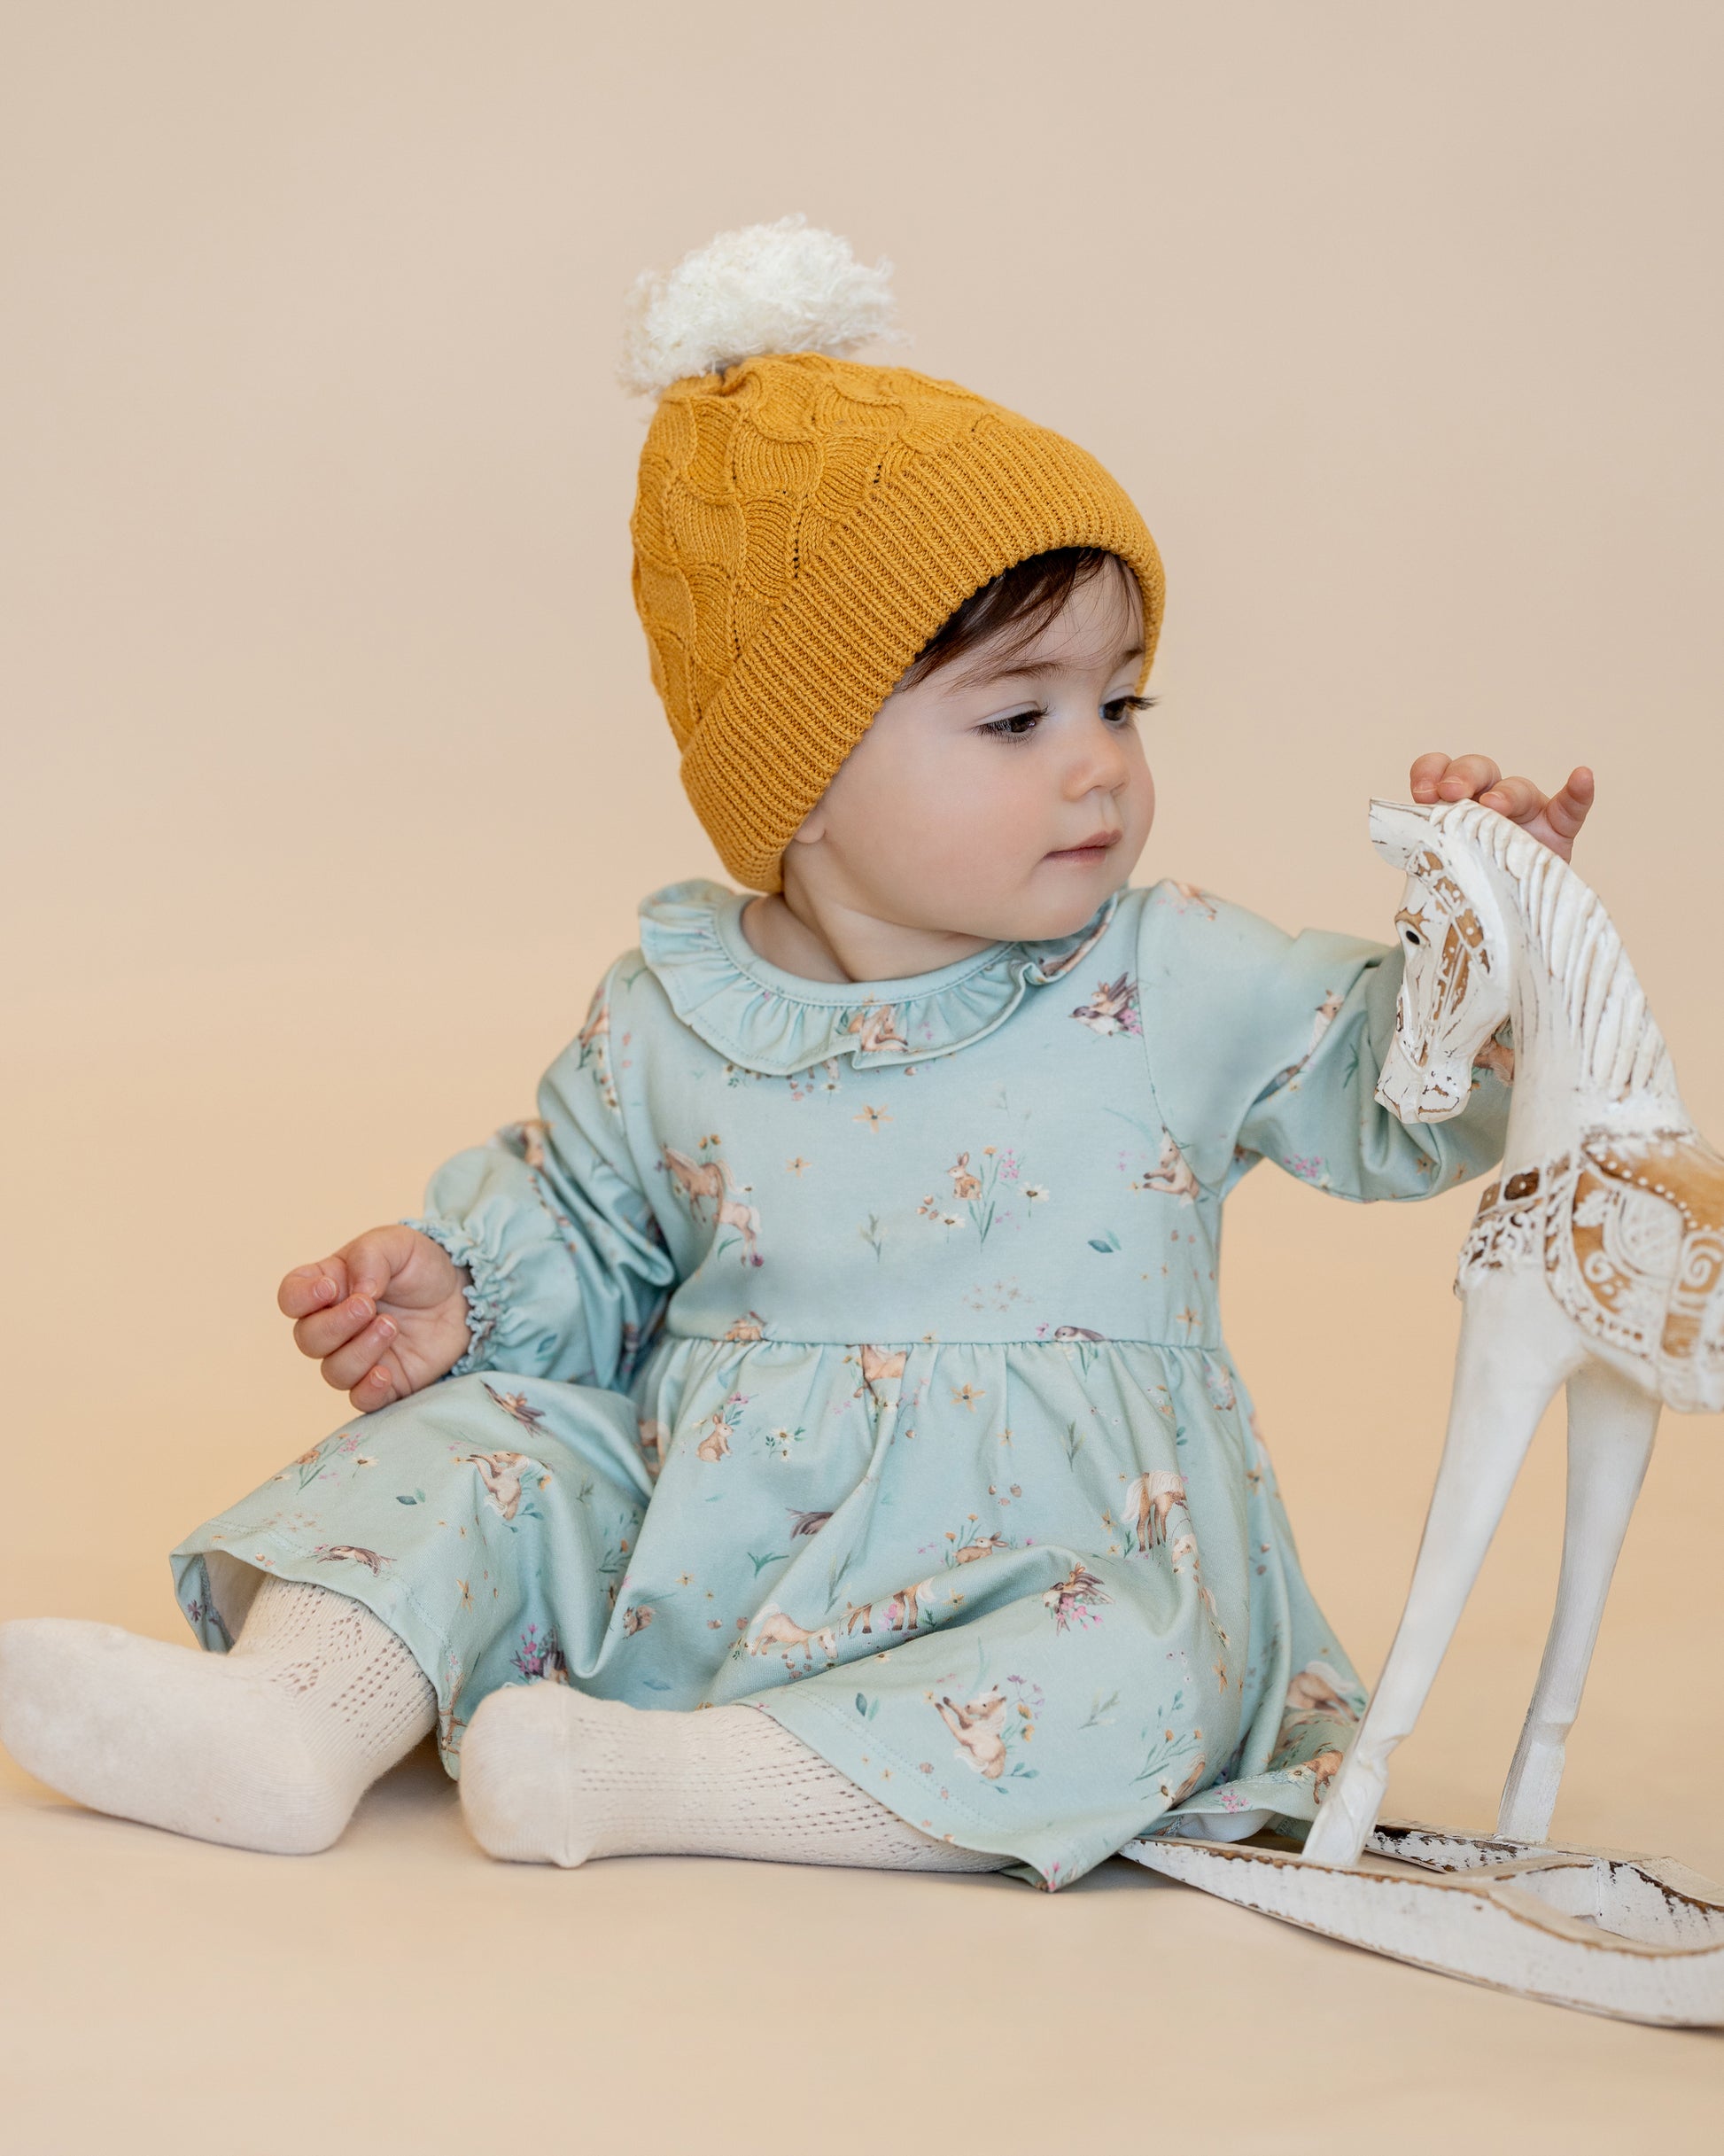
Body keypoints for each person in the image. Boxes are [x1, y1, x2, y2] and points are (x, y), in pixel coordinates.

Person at [0, 220, 1595, 1887]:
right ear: (804, 775)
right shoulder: (674, 1011)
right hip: (701, 1552)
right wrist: (466, 1296)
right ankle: (289, 1718)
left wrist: (1488, 929)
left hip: (1041, 1578)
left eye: (1121, 704)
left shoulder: (1170, 977)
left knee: (1143, 1676)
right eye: (1019, 716)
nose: (1098, 767)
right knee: (476, 1448)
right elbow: (593, 1246)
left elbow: (1399, 1098)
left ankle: (653, 1778)